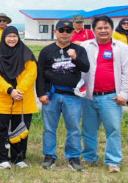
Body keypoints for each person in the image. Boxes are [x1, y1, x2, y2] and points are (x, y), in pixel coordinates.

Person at [80, 15, 128, 172]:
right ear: (94, 30)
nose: (103, 31)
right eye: (99, 28)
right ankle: (90, 157)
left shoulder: (122, 48)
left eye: (106, 28)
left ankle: (113, 161)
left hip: (111, 97)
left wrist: (124, 93)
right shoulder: (85, 46)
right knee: (88, 130)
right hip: (89, 96)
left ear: (111, 29)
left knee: (113, 130)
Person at [35, 19, 90, 171]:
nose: (65, 33)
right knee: (49, 128)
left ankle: (73, 157)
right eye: (62, 30)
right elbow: (40, 74)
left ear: (73, 33)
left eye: (68, 31)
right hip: (51, 95)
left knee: (73, 128)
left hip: (72, 96)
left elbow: (86, 67)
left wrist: (75, 57)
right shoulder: (47, 51)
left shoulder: (79, 50)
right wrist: (41, 93)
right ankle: (49, 156)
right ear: (56, 32)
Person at [0, 26, 37, 169]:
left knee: (21, 129)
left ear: (18, 37)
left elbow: (31, 74)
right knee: (0, 130)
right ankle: (2, 158)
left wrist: (19, 91)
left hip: (22, 98)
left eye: (14, 36)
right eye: (8, 36)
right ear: (4, 38)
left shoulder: (27, 53)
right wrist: (10, 90)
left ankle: (18, 157)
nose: (12, 39)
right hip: (3, 99)